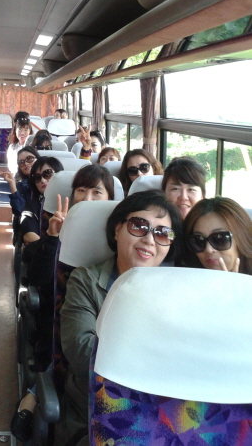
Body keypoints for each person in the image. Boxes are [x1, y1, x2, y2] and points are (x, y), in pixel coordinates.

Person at [57, 190, 182, 443]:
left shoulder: (179, 291)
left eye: (162, 233)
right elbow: (82, 354)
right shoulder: (86, 281)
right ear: (117, 230)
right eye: (139, 226)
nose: (149, 239)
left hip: (168, 414)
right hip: (99, 410)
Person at [11, 165, 114, 441]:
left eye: (97, 192)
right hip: (56, 322)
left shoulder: (125, 240)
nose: (88, 199)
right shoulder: (52, 223)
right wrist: (53, 238)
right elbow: (37, 279)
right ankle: (36, 392)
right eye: (81, 190)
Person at [180, 196, 252, 274]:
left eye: (219, 239)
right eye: (198, 241)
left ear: (242, 239)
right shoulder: (183, 277)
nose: (208, 250)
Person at [20, 156, 64, 245]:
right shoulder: (31, 206)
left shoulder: (74, 200)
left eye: (48, 174)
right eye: (37, 177)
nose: (43, 180)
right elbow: (29, 235)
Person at [0, 146, 40, 217]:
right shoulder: (22, 186)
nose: (26, 163)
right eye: (21, 162)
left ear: (38, 159)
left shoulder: (48, 181)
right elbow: (20, 211)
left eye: (30, 159)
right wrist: (12, 185)